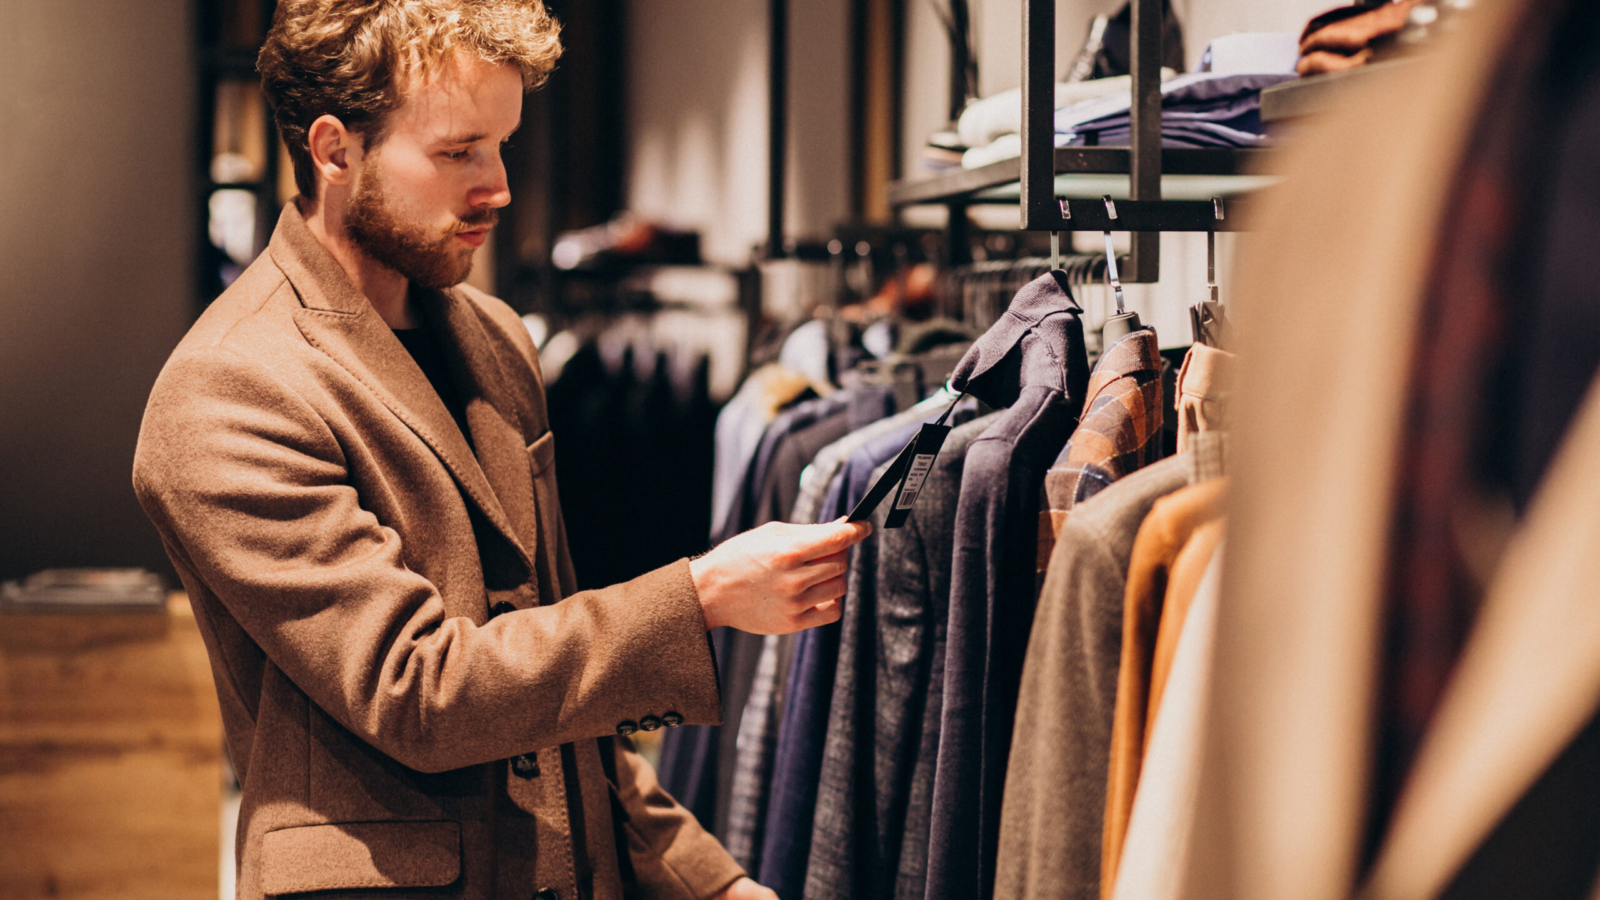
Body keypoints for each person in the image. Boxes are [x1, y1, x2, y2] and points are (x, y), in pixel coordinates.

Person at [131, 2, 867, 899]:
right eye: (458, 151)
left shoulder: (494, 338)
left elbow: (561, 679)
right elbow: (416, 688)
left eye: (503, 144)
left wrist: (705, 879)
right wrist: (702, 597)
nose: (499, 186)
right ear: (334, 150)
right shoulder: (229, 386)